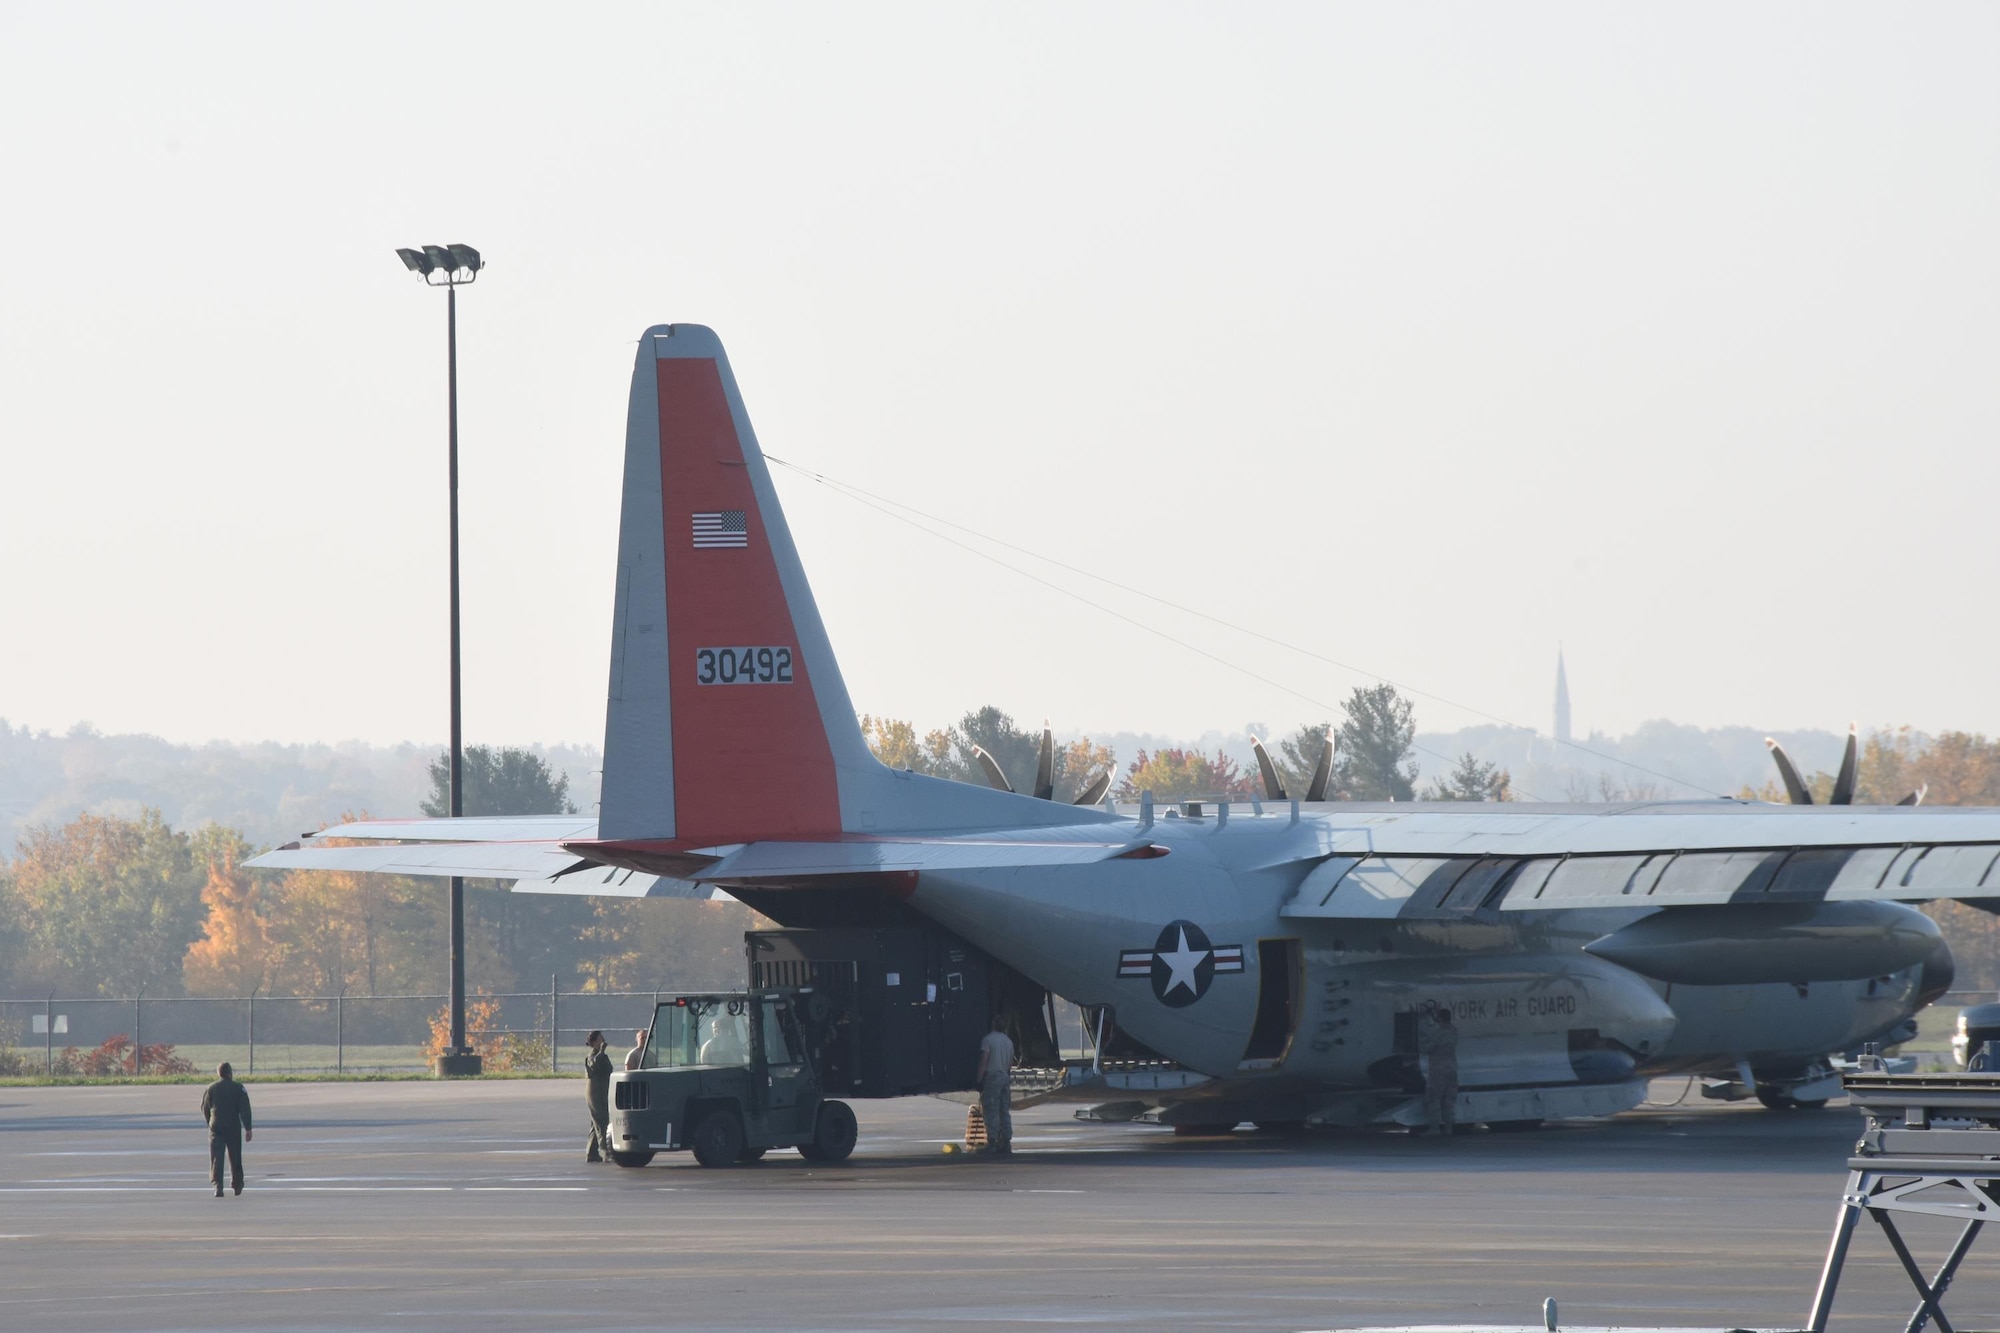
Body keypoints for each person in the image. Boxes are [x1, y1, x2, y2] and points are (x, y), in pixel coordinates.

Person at [200, 1061, 253, 1196]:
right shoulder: (238, 1088)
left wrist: (210, 1123)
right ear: (230, 1073)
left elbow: (205, 1107)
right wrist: (248, 1127)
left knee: (216, 1158)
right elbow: (245, 1109)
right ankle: (237, 1184)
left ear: (219, 1073)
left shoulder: (211, 1088)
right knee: (235, 1156)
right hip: (233, 1126)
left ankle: (218, 1186)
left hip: (216, 1126)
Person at [974, 1017, 1015, 1156]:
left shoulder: (988, 1040)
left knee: (991, 1110)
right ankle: (1007, 1141)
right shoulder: (1008, 1041)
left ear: (993, 1024)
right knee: (1004, 1110)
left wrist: (979, 1080)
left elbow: (984, 1060)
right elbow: (1010, 1062)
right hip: (1005, 1076)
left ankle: (992, 1141)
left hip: (993, 1077)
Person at [1417, 1008, 1459, 1136]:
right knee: (1449, 1099)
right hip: (1452, 1068)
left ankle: (1435, 1128)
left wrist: (1422, 1034)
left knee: (1433, 1097)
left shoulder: (1437, 1033)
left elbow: (1426, 1048)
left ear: (1439, 1018)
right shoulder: (1454, 1031)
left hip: (1438, 1069)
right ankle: (1448, 1128)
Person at [583, 1030, 613, 1163]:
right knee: (602, 1122)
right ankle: (605, 1152)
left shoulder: (602, 1055)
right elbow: (593, 1066)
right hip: (595, 1093)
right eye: (600, 1038)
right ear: (594, 1042)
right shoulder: (592, 1056)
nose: (603, 1040)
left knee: (595, 1123)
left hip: (602, 1091)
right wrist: (601, 1052)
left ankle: (591, 1153)